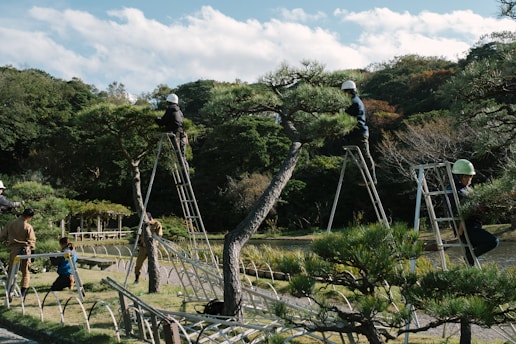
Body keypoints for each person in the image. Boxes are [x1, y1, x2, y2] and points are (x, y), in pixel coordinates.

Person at [448, 159, 499, 266]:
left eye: (470, 176)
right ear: (458, 177)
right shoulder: (453, 191)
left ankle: (469, 266)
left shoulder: (468, 190)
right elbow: (457, 211)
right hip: (467, 228)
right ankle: (469, 257)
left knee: (471, 265)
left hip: (474, 226)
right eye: (466, 176)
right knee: (493, 241)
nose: (469, 179)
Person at [341, 80, 377, 184]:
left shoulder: (354, 102)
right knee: (359, 157)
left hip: (359, 133)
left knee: (365, 156)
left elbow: (346, 115)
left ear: (349, 92)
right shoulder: (354, 101)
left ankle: (372, 178)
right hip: (355, 133)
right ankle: (364, 178)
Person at [0, 208, 36, 297]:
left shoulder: (10, 224)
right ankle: (23, 291)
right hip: (25, 250)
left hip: (13, 250)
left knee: (11, 271)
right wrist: (33, 252)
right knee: (25, 271)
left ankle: (9, 292)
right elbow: (31, 241)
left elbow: (2, 237)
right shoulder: (28, 226)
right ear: (29, 217)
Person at [134, 212, 163, 283]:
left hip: (152, 247)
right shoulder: (142, 224)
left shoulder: (156, 224)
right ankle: (137, 279)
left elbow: (159, 234)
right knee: (138, 264)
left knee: (153, 265)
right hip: (143, 247)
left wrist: (152, 230)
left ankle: (154, 280)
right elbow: (140, 236)